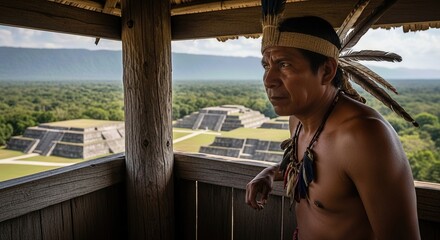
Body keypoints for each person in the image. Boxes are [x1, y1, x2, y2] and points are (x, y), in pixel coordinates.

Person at [245, 16, 421, 240]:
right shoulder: (297, 122)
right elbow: (318, 169)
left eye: (284, 64)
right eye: (266, 65)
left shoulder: (363, 137)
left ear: (327, 71)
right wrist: (271, 172)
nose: (268, 79)